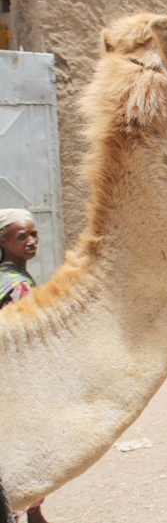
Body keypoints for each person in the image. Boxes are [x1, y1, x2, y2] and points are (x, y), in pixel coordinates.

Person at [0, 209, 48, 523]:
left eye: (33, 234)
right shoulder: (18, 286)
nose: (31, 242)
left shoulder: (8, 277)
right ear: (3, 241)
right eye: (22, 237)